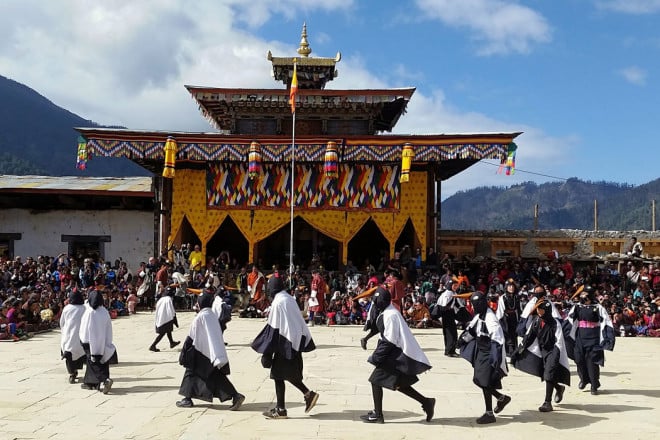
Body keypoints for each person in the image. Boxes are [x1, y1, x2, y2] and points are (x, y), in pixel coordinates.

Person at [360, 287, 435, 423]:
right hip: (394, 352)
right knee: (400, 384)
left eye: (377, 301)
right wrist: (367, 337)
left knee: (375, 380)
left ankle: (378, 415)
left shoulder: (391, 315)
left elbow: (390, 340)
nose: (375, 303)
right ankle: (427, 402)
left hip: (395, 354)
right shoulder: (387, 311)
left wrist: (376, 357)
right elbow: (380, 327)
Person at [251, 275, 319, 419]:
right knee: (286, 373)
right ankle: (308, 395)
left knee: (278, 375)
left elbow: (273, 328)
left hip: (286, 342)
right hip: (295, 341)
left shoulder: (278, 302)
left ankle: (281, 409)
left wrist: (267, 352)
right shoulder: (288, 298)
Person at [176, 292, 245, 410]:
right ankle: (235, 395)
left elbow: (192, 335)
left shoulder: (200, 317)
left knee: (191, 372)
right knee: (212, 376)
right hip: (211, 351)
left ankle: (187, 399)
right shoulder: (212, 315)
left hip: (200, 351)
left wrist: (184, 351)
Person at [459, 291, 510, 424]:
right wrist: (463, 340)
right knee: (479, 380)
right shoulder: (479, 315)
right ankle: (501, 398)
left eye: (476, 304)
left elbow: (497, 339)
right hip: (480, 351)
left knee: (483, 381)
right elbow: (472, 330)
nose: (474, 307)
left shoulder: (490, 318)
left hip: (489, 352)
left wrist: (496, 358)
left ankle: (489, 413)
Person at [511, 299, 570, 412]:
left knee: (549, 372)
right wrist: (517, 351)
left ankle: (547, 402)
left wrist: (555, 356)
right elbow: (528, 337)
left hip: (553, 350)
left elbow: (559, 342)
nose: (539, 312)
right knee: (545, 374)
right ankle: (559, 387)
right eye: (538, 310)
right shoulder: (536, 321)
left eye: (542, 310)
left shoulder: (555, 324)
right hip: (542, 350)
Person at [567, 286, 615, 395]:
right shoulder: (577, 307)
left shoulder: (598, 307)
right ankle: (584, 379)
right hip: (580, 336)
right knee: (579, 359)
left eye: (585, 294)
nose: (583, 296)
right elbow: (569, 320)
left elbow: (606, 322)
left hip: (593, 337)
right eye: (582, 294)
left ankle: (594, 384)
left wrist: (608, 338)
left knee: (592, 361)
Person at [79, 289, 117, 393]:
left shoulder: (89, 312)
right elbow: (108, 328)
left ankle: (105, 380)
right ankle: (90, 383)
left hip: (89, 341)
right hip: (102, 341)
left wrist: (83, 340)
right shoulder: (104, 311)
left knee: (93, 363)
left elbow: (85, 328)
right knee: (102, 362)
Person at [59, 289, 86, 384]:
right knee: (82, 354)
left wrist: (64, 332)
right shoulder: (84, 308)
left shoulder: (67, 308)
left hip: (69, 336)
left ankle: (72, 373)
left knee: (69, 355)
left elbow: (62, 323)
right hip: (82, 336)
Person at [149, 286, 180, 352]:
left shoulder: (161, 299)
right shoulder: (169, 299)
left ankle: (171, 343)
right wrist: (175, 321)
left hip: (160, 318)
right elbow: (172, 311)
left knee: (168, 330)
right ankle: (153, 345)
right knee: (162, 333)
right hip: (166, 318)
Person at [497, 278, 522, 357]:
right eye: (509, 286)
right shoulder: (503, 298)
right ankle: (508, 352)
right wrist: (498, 320)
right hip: (505, 318)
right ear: (506, 287)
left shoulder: (516, 297)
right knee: (507, 334)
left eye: (512, 286)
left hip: (514, 317)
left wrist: (520, 320)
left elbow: (519, 309)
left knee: (514, 334)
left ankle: (514, 351)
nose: (511, 288)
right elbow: (500, 310)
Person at [436, 280, 460, 357]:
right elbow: (445, 305)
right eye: (454, 285)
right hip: (448, 315)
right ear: (450, 285)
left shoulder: (448, 293)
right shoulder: (449, 294)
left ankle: (448, 350)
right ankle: (450, 351)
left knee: (448, 333)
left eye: (457, 286)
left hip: (446, 315)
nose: (456, 287)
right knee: (452, 333)